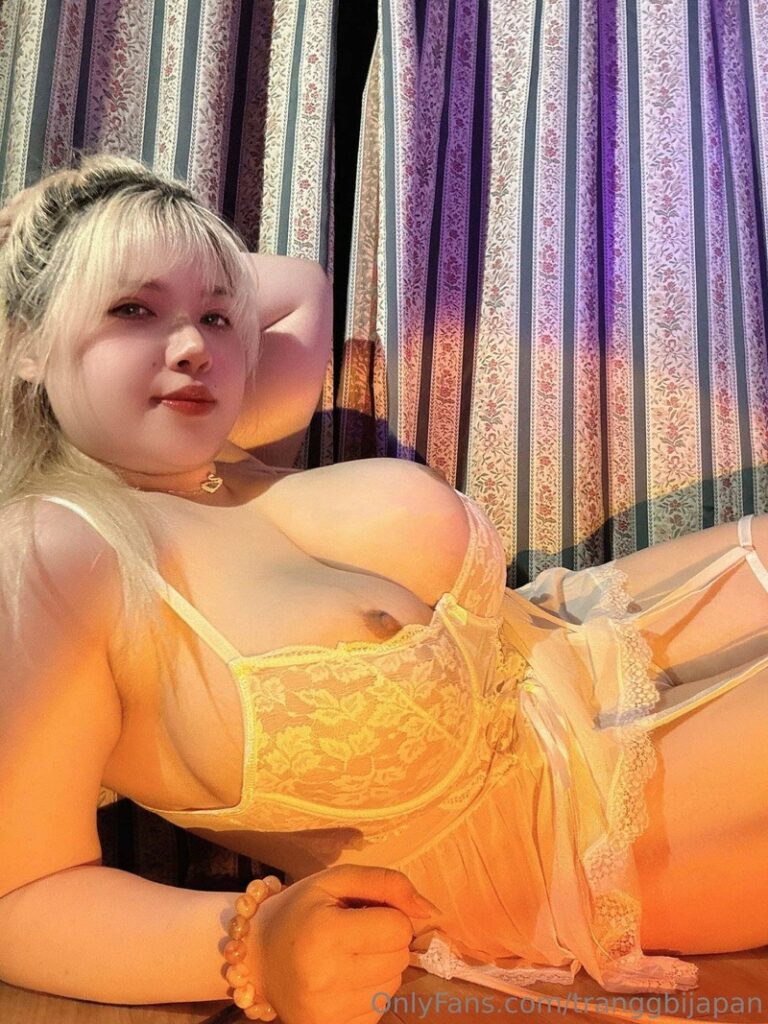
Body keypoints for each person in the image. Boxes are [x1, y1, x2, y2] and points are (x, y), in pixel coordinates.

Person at [0, 154, 766, 1022]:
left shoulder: (216, 434)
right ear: (26, 343)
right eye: (131, 309)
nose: (194, 347)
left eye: (215, 316)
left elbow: (295, 288)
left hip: (582, 644)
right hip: (551, 837)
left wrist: (82, 218)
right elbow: (20, 891)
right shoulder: (53, 553)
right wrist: (252, 947)